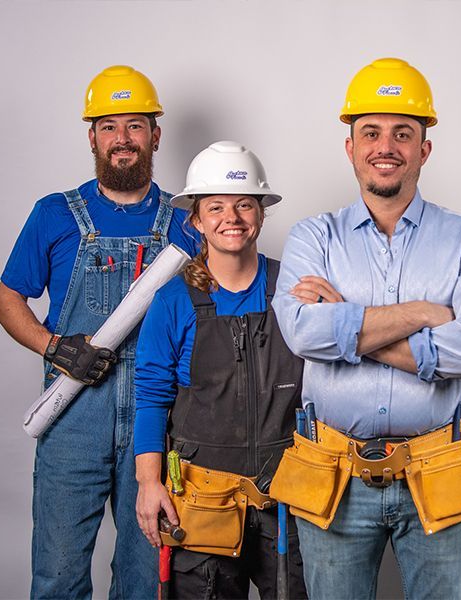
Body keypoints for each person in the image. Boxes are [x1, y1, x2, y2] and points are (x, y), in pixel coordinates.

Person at [270, 57, 461, 600]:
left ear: (424, 149)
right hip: (331, 469)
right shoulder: (314, 237)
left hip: (442, 465)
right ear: (350, 147)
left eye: (404, 133)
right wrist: (425, 313)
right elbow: (303, 335)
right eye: (370, 132)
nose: (386, 146)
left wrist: (348, 328)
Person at [0, 65, 198, 598]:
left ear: (156, 135)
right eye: (109, 127)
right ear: (92, 137)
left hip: (157, 421)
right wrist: (56, 346)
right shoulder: (55, 214)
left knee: (145, 577)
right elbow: (7, 299)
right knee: (58, 576)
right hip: (73, 414)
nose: (122, 140)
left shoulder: (187, 222)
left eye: (135, 126)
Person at [133, 141, 307, 599]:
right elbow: (151, 398)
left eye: (244, 204)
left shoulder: (293, 290)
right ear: (196, 219)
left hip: (288, 496)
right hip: (201, 500)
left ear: (261, 214)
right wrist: (149, 483)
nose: (232, 217)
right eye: (216, 207)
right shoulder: (172, 302)